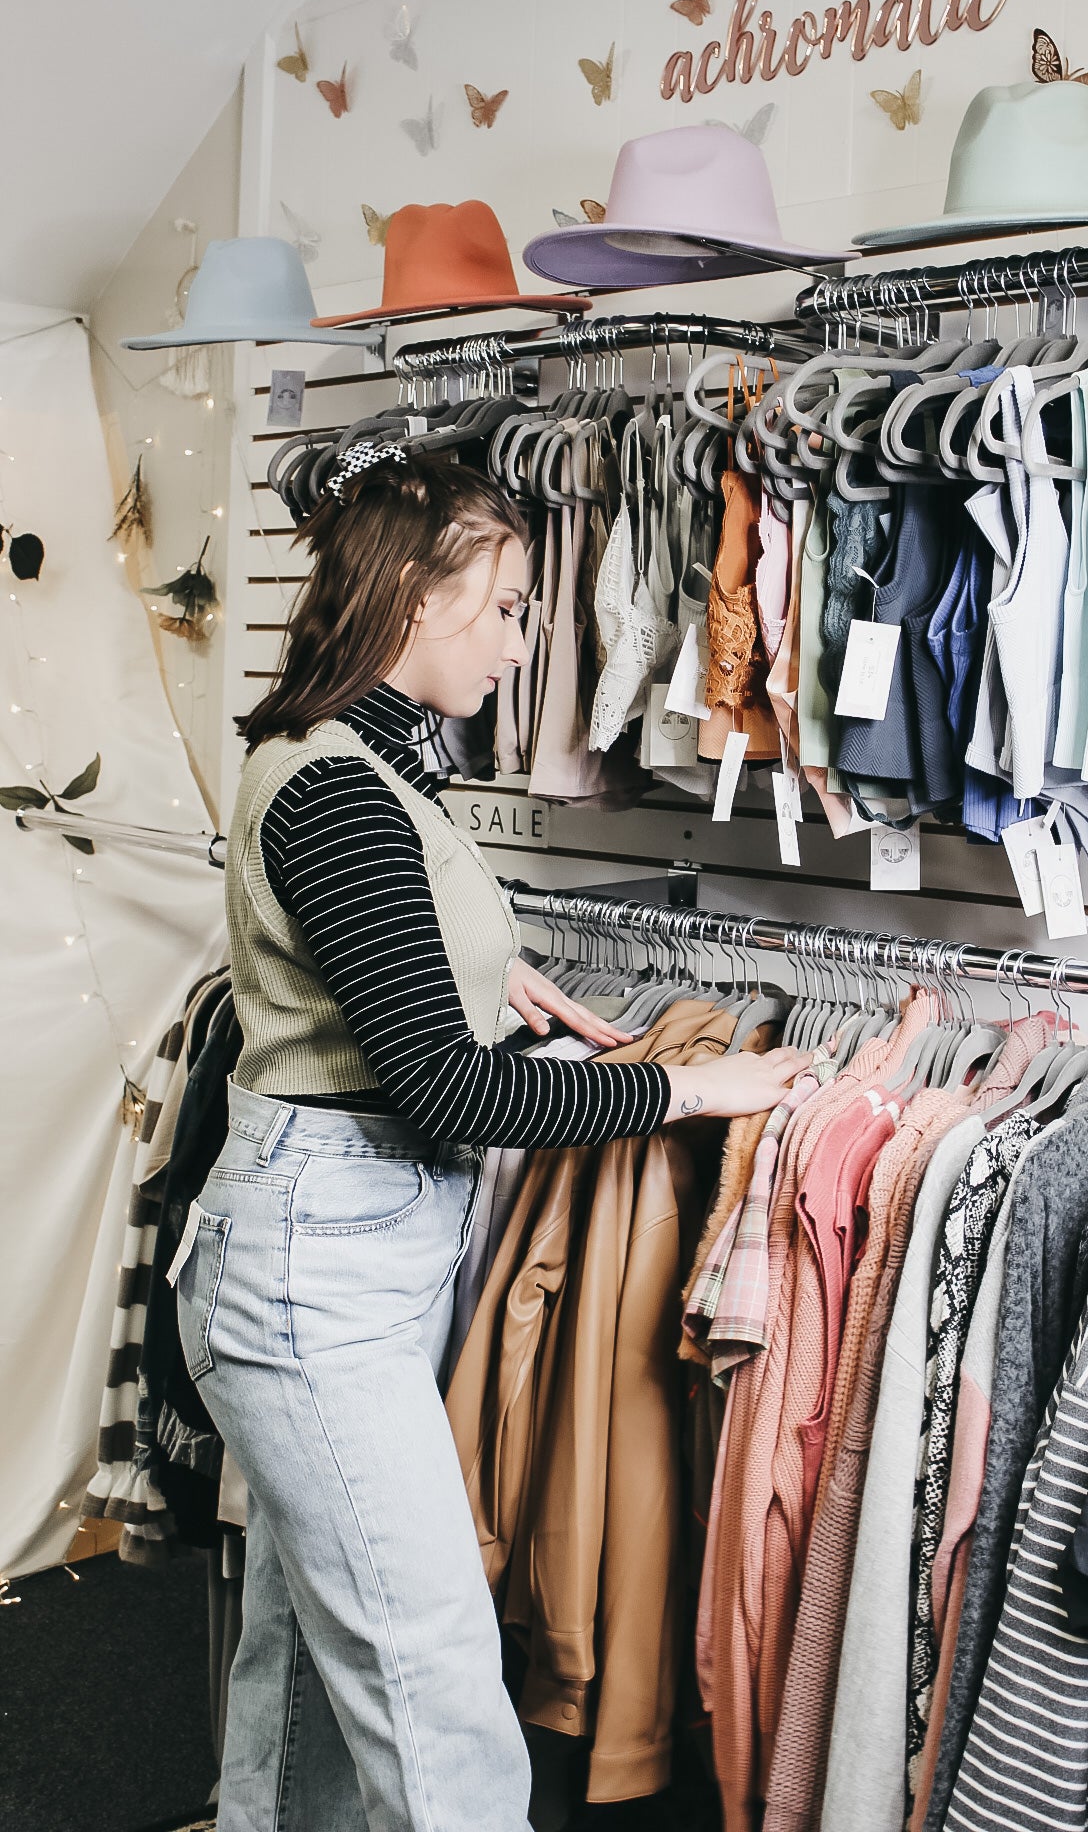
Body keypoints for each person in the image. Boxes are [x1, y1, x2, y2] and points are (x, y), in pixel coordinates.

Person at [175, 445, 806, 1832]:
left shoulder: (354, 762)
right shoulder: (343, 789)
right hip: (314, 1276)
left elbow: (377, 976)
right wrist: (686, 1093)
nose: (528, 642)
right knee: (439, 1700)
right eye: (512, 604)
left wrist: (474, 972)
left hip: (334, 1257)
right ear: (415, 592)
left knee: (307, 1691)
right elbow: (449, 1095)